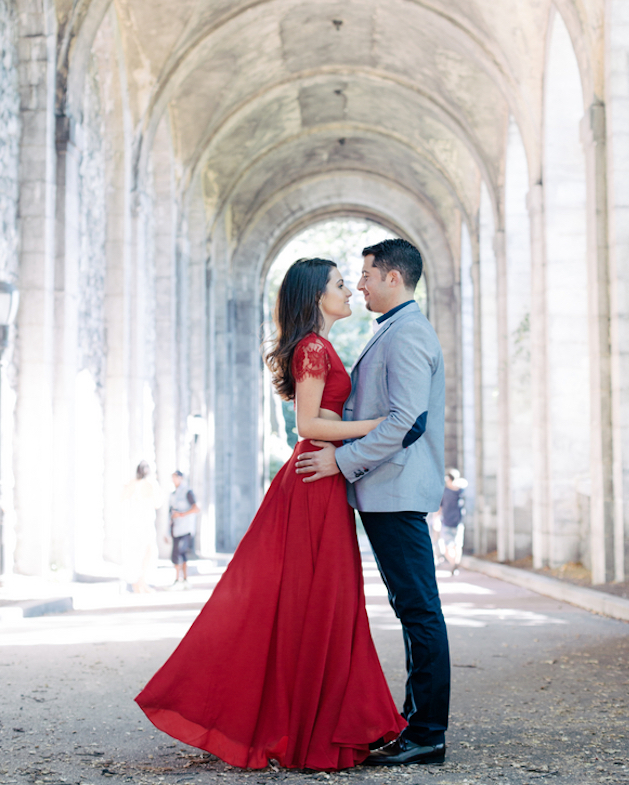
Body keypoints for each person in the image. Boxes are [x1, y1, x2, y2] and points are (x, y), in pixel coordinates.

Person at [135, 258, 405, 770]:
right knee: (318, 602)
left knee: (326, 601)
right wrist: (378, 425)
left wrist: (350, 425)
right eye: (339, 284)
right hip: (312, 478)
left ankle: (318, 726)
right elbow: (308, 422)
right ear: (315, 295)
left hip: (320, 477)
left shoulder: (320, 348)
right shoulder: (311, 348)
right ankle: (307, 731)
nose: (349, 290)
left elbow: (322, 415)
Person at [296, 238, 450, 766]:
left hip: (397, 490)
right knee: (411, 608)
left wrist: (341, 461)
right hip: (385, 490)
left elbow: (406, 423)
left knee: (419, 610)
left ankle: (427, 732)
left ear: (392, 278)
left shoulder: (406, 334)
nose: (359, 285)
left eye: (365, 275)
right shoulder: (394, 330)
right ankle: (416, 723)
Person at [121, 462, 164, 594]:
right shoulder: (151, 484)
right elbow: (157, 504)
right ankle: (141, 582)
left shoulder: (132, 483)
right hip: (146, 522)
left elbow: (123, 497)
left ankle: (137, 583)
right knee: (148, 552)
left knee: (136, 552)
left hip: (133, 521)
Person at [169, 470, 200, 590]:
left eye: (175, 478)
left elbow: (196, 508)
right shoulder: (173, 494)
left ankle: (182, 580)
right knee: (177, 554)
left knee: (181, 553)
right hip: (176, 529)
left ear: (180, 478)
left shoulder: (187, 492)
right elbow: (171, 513)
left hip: (185, 528)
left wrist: (182, 514)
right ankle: (181, 580)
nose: (173, 480)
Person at [438, 468, 468, 575]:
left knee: (450, 546)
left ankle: (453, 563)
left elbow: (440, 507)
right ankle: (454, 563)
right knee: (454, 546)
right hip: (455, 522)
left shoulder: (452, 491)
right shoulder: (461, 491)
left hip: (451, 522)